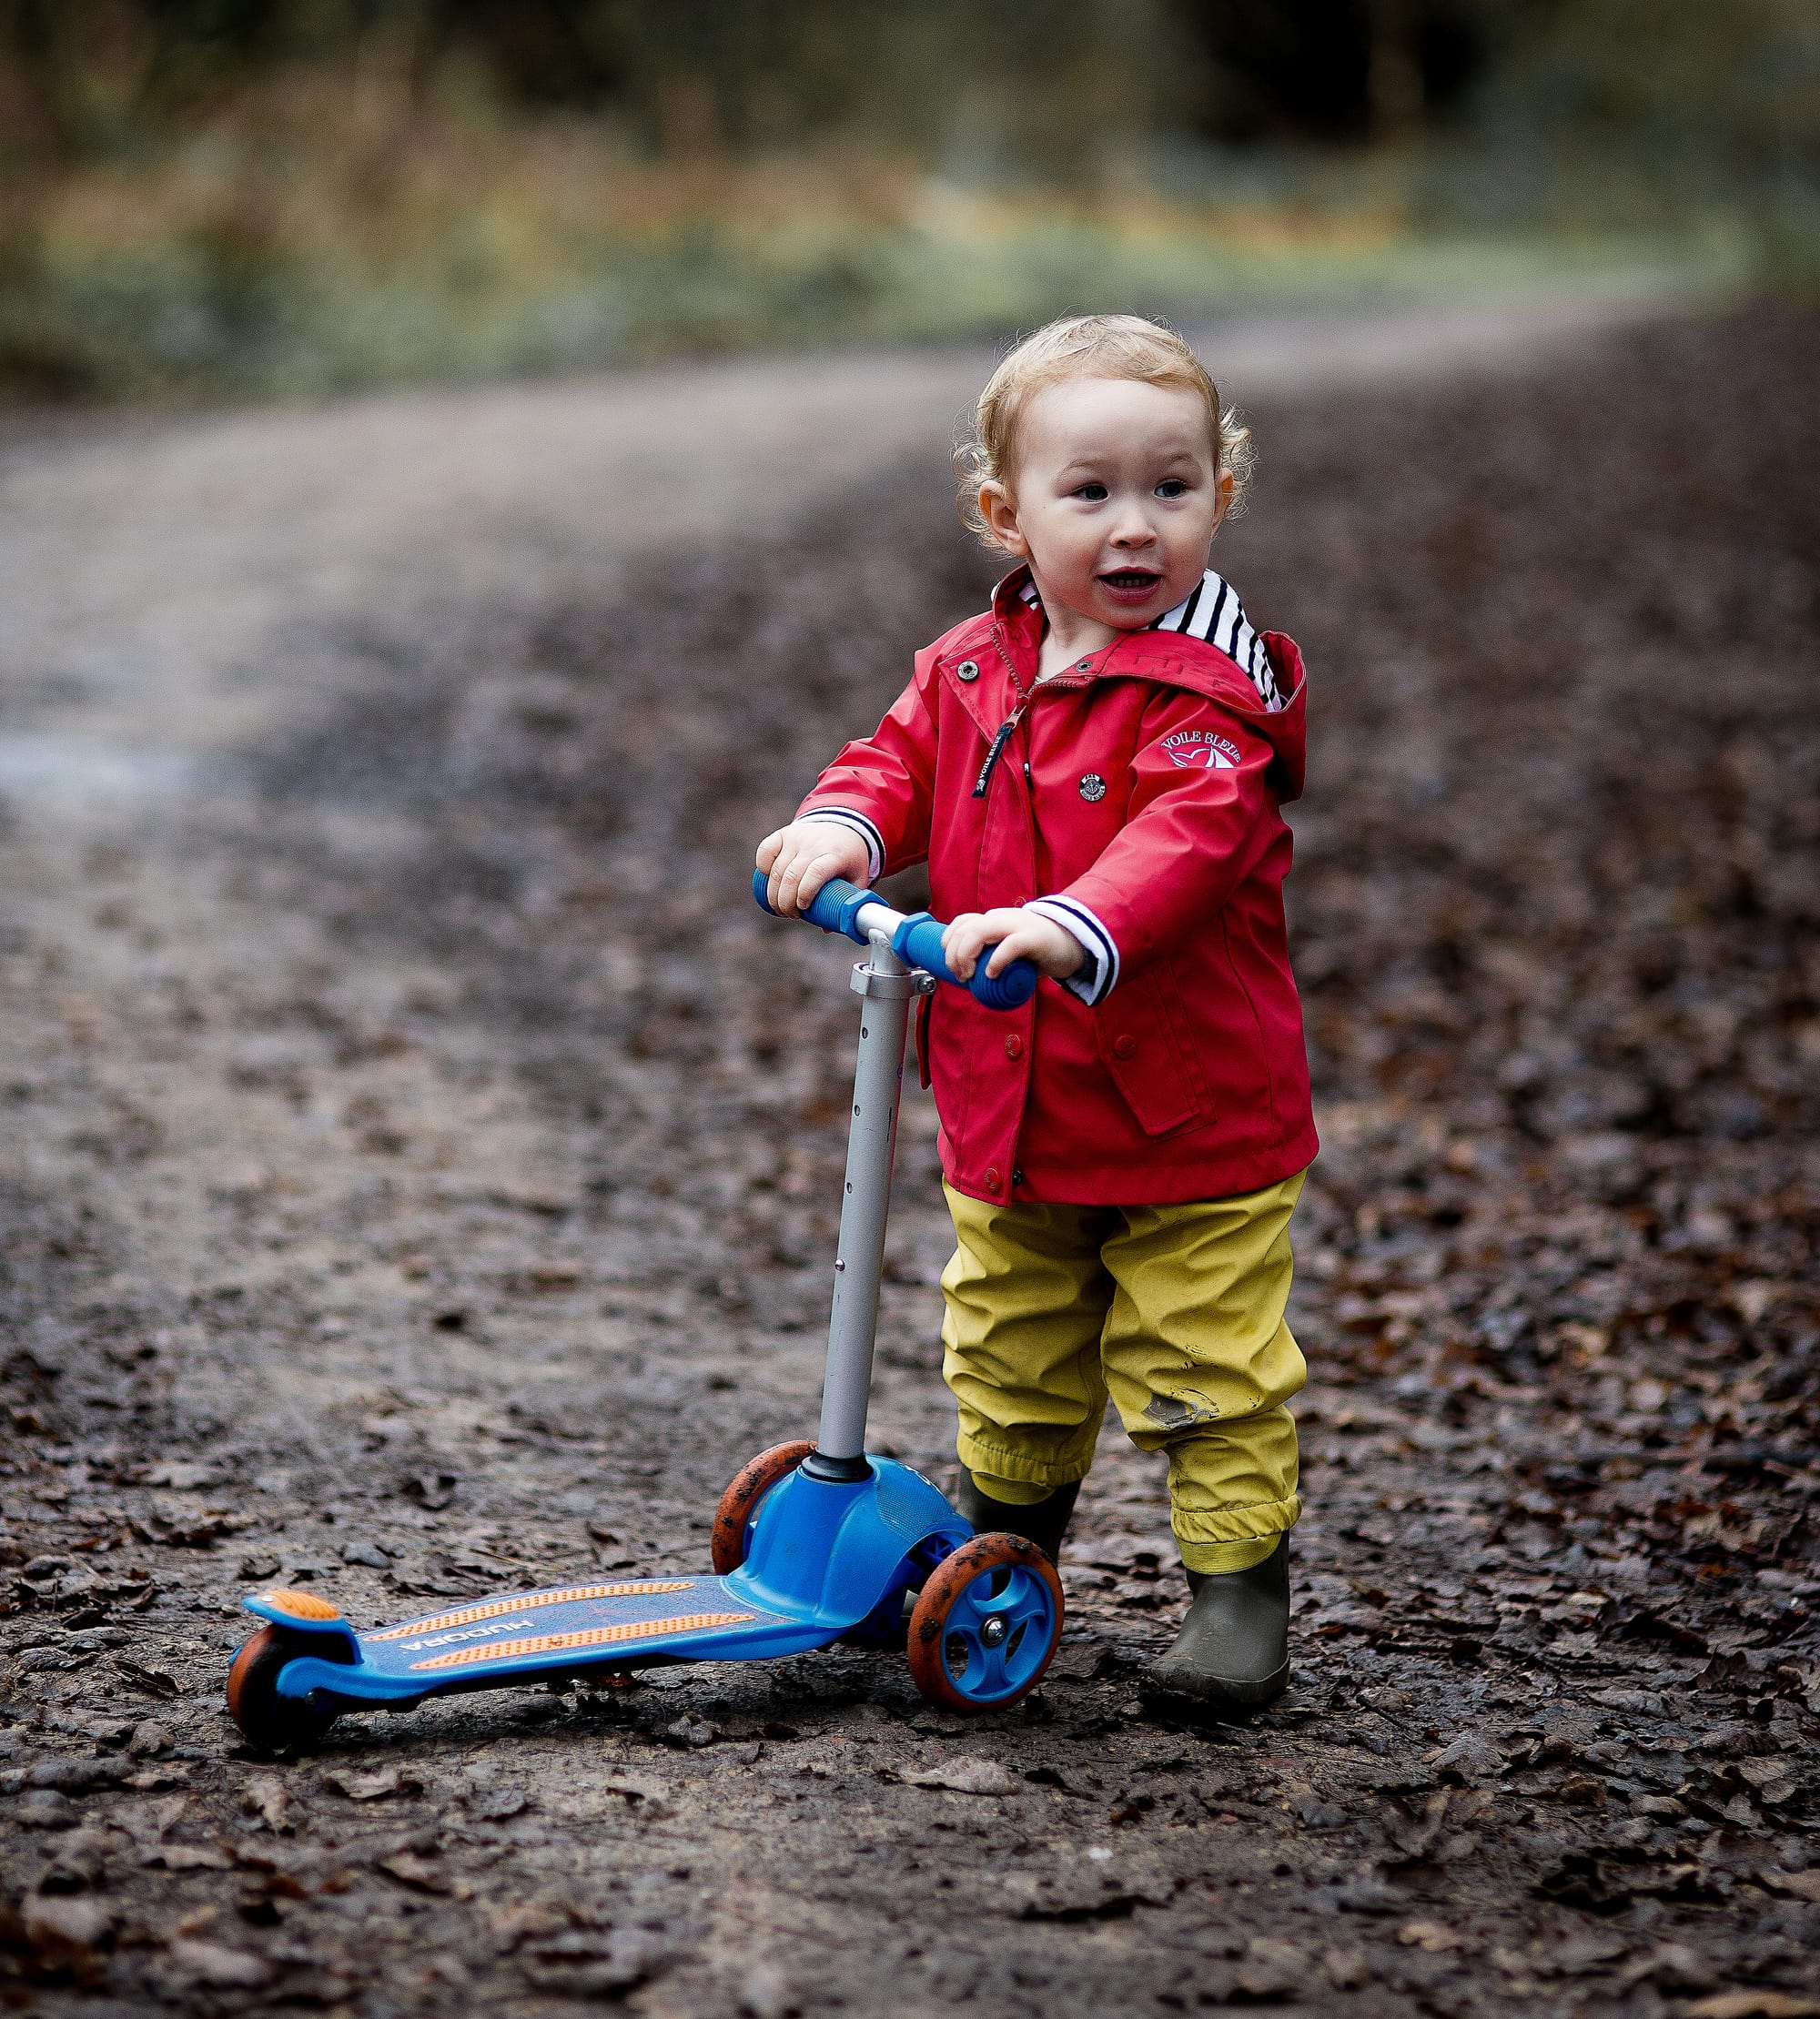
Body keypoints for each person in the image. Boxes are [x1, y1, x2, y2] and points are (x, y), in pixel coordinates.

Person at [756, 313, 1317, 1718]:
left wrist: (1073, 924)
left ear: (1218, 497)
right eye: (1092, 493)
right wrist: (843, 828)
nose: (1137, 528)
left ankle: (1238, 1592)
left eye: (1172, 489)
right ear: (1007, 513)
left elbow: (1187, 839)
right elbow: (896, 760)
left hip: (1189, 1113)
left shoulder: (1210, 694)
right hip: (1010, 1099)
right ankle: (1011, 1551)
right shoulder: (970, 663)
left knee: (1203, 1363)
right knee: (1006, 1341)